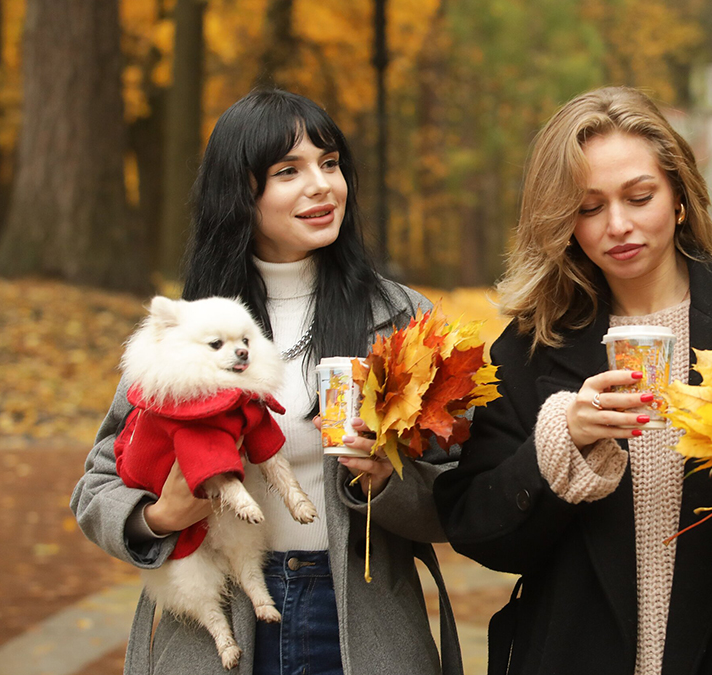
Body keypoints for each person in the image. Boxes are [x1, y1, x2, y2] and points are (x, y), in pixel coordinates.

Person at [433, 86, 712, 675]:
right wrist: (558, 447)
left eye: (639, 196)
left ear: (678, 194)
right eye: (589, 207)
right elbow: (480, 530)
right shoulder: (533, 344)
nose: (618, 225)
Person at [71, 89, 462, 675]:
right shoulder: (195, 328)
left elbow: (460, 481)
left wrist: (385, 484)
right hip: (221, 616)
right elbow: (97, 485)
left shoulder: (401, 317)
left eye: (330, 164)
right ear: (239, 193)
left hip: (359, 619)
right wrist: (158, 518)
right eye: (288, 171)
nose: (321, 185)